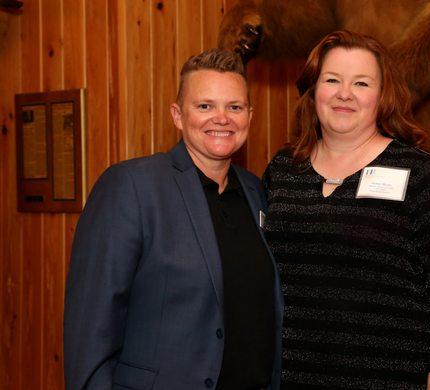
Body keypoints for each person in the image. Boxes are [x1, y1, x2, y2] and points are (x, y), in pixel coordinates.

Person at [263, 30, 430, 389]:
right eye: (332, 80)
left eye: (361, 83)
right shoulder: (283, 170)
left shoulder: (422, 176)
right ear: (314, 89)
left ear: (382, 96)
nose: (344, 93)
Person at [64, 49, 283, 390]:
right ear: (178, 115)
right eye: (205, 106)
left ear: (250, 117)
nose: (221, 118)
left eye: (234, 107)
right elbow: (90, 328)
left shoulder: (256, 192)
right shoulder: (133, 186)